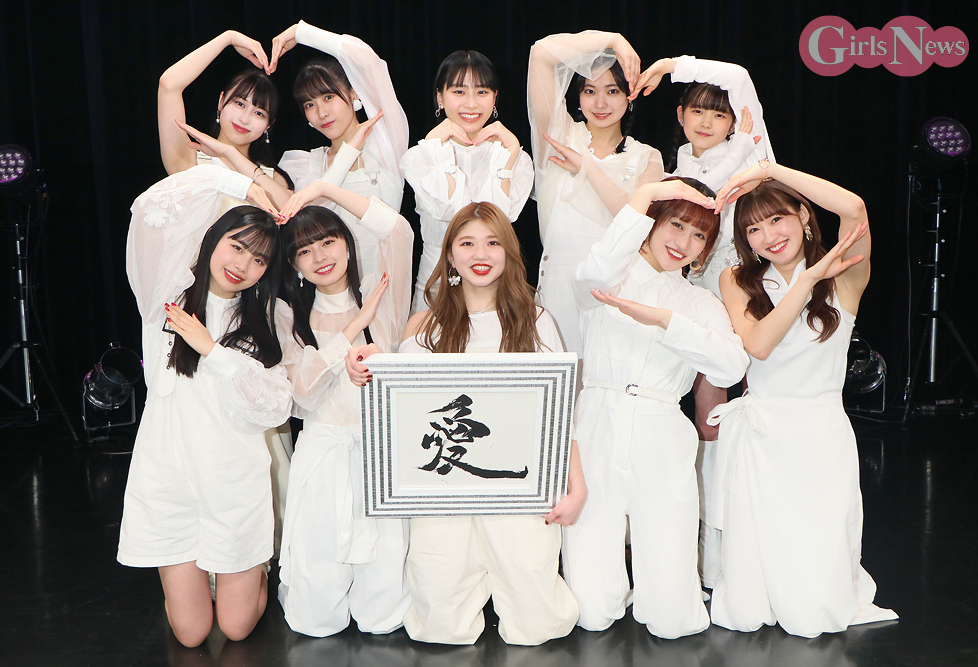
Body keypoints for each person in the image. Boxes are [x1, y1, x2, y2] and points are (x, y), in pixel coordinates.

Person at [348, 202, 583, 645]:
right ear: (451, 255)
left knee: (538, 623)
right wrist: (368, 367)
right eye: (468, 243)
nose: (481, 253)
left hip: (517, 486)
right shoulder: (424, 326)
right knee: (439, 625)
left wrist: (577, 487)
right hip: (443, 491)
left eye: (493, 243)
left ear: (509, 252)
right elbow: (403, 410)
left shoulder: (535, 322)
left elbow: (558, 415)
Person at [707, 160, 898, 637]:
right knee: (748, 601)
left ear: (803, 215)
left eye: (778, 218)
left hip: (820, 432)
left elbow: (854, 207)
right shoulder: (737, 279)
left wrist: (769, 169)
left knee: (815, 577)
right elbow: (759, 345)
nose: (768, 236)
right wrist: (807, 280)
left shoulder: (843, 274)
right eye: (753, 229)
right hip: (762, 435)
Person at [561, 178, 748, 639]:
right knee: (590, 612)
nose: (684, 242)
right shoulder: (609, 279)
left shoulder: (700, 302)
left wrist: (667, 322)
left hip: (661, 428)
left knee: (672, 618)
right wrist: (644, 194)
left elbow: (731, 367)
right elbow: (591, 275)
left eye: (699, 234)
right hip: (597, 419)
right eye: (676, 224)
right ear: (651, 222)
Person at [117, 165, 292, 647]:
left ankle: (255, 569)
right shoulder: (165, 296)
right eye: (236, 246)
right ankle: (197, 578)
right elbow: (148, 209)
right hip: (168, 474)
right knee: (192, 634)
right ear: (213, 239)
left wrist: (212, 351)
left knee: (235, 627)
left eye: (258, 259)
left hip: (232, 479)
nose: (243, 264)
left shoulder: (265, 318)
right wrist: (237, 184)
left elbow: (275, 409)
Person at [635, 55, 775, 588]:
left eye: (718, 114)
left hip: (736, 288)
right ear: (680, 115)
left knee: (736, 402)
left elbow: (739, 77)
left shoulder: (750, 150)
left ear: (735, 119)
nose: (707, 122)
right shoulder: (677, 163)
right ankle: (694, 540)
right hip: (686, 288)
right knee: (690, 410)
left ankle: (732, 540)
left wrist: (672, 65)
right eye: (697, 111)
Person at [275, 181, 412, 637]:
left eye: (328, 241)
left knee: (383, 611)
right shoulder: (288, 314)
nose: (320, 256)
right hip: (322, 453)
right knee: (317, 614)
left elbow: (398, 231)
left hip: (381, 454)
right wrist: (353, 328)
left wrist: (324, 189)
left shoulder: (380, 293)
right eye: (304, 250)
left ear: (348, 246)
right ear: (294, 264)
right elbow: (303, 394)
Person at [528, 30, 664, 356]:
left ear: (630, 96)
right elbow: (541, 53)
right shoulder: (559, 136)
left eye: (612, 91)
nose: (600, 103)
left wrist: (587, 169)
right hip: (558, 293)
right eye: (590, 91)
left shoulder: (647, 158)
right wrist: (614, 40)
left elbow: (636, 224)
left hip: (617, 293)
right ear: (578, 97)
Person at [272, 20, 409, 300]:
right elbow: (305, 229)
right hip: (328, 302)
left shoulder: (385, 143)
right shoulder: (305, 165)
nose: (321, 113)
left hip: (385, 296)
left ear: (354, 93)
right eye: (310, 104)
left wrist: (301, 33)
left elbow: (368, 60)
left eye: (328, 97)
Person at [401, 51, 533, 314]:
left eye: (482, 92)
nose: (471, 104)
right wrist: (436, 149)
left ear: (494, 97)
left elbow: (498, 219)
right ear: (440, 97)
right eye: (459, 92)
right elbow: (451, 212)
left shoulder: (515, 158)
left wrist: (509, 155)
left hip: (494, 283)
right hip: (436, 285)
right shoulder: (418, 157)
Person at [157, 30, 293, 205]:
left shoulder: (273, 178)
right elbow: (169, 84)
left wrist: (230, 153)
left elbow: (288, 210)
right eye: (240, 104)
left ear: (268, 125)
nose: (245, 119)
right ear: (221, 101)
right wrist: (228, 38)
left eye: (259, 113)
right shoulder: (189, 160)